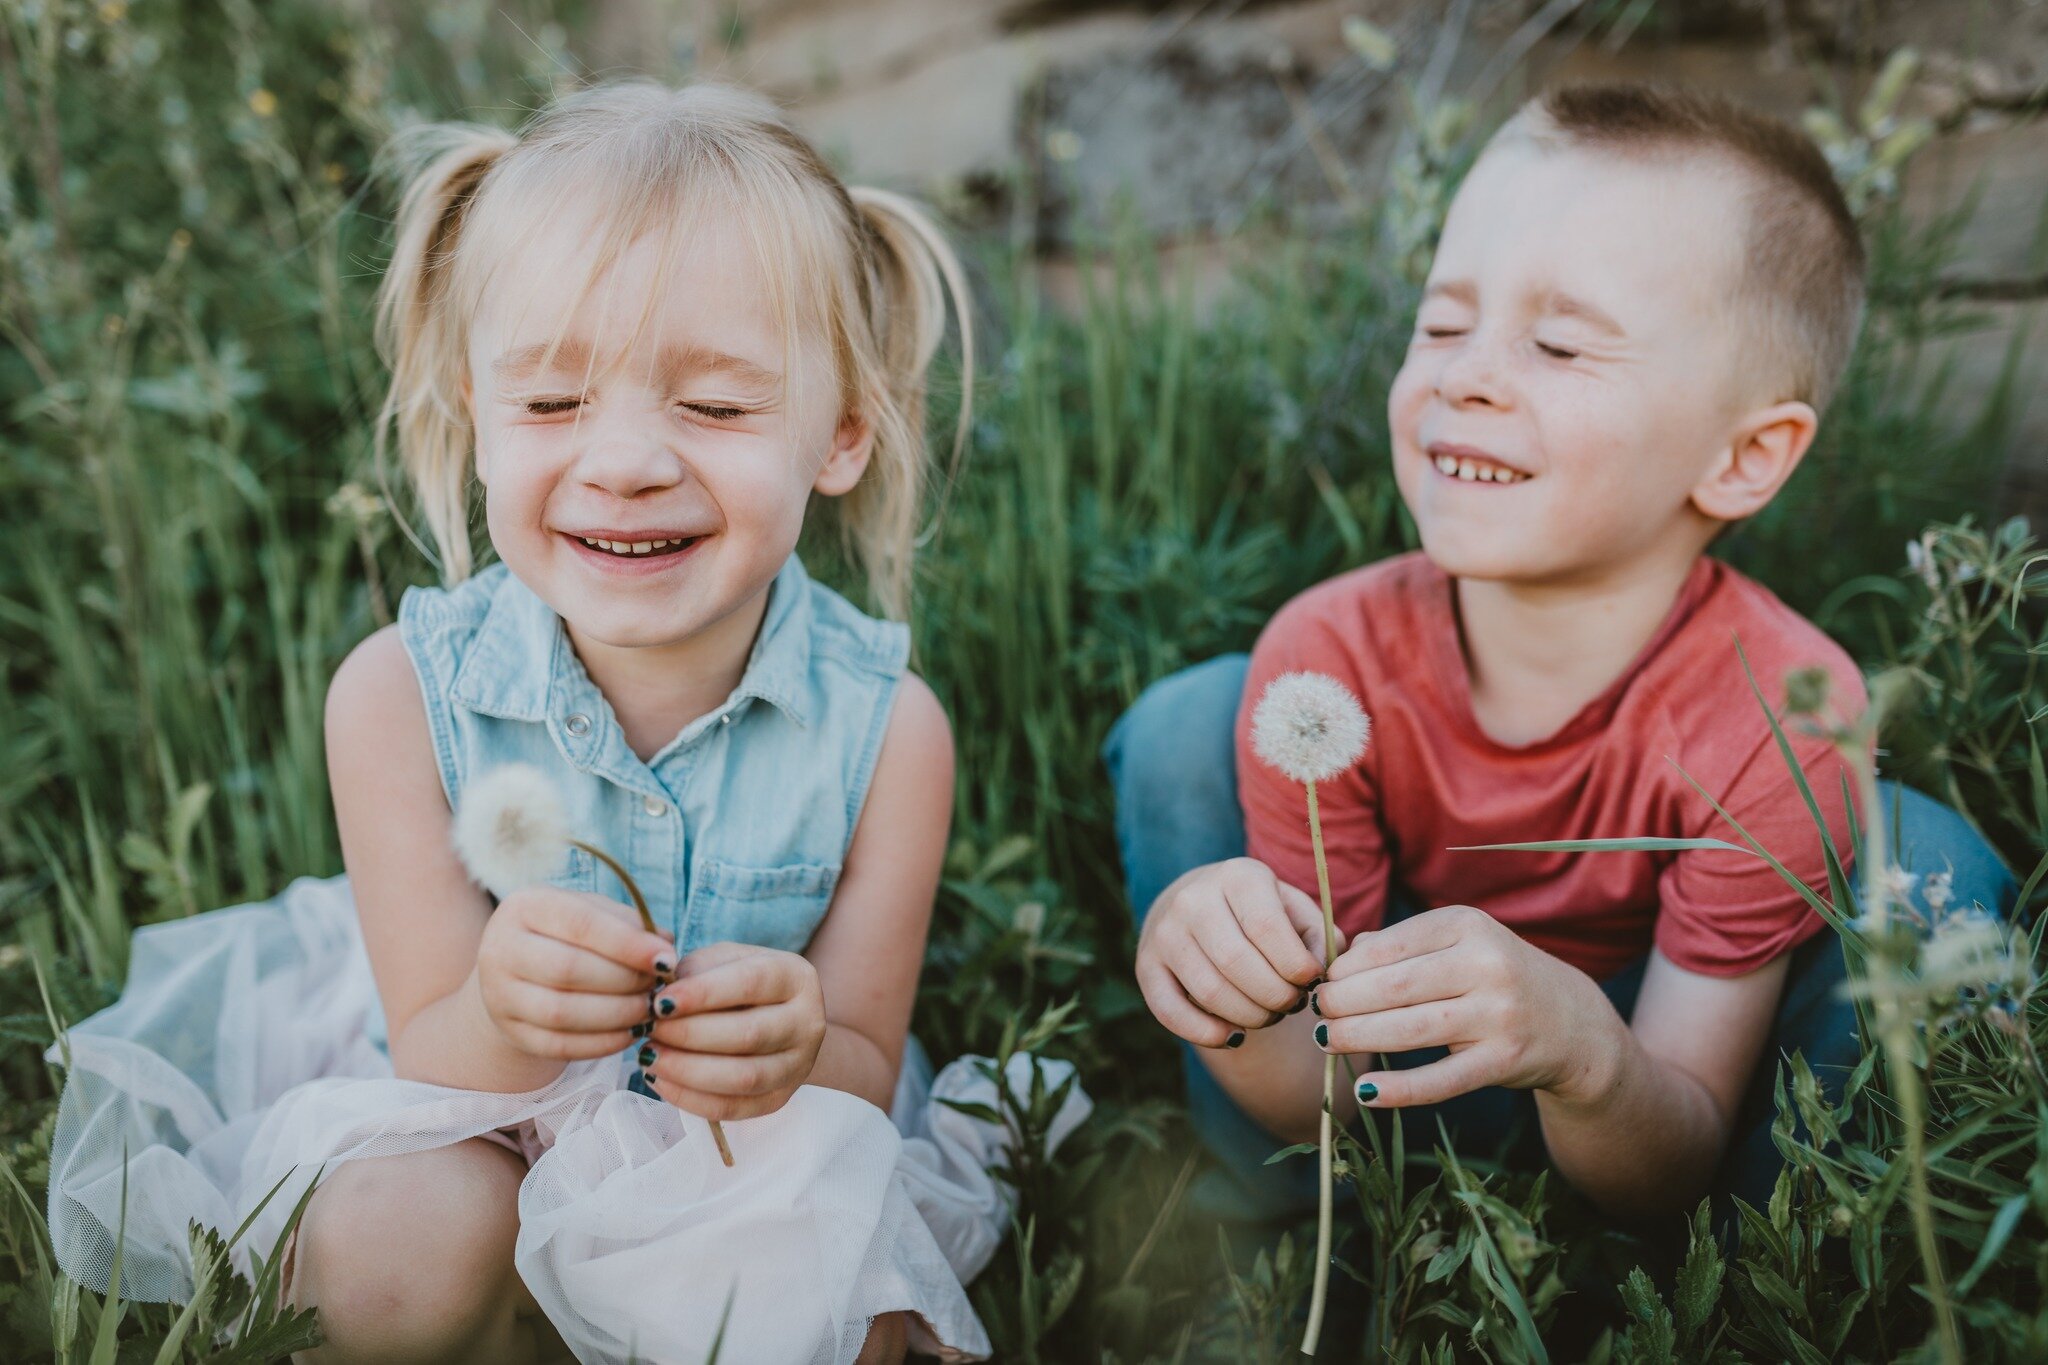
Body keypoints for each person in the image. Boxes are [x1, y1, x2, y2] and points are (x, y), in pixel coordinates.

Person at [44, 79, 1089, 1365]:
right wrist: (503, 1007)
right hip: (461, 1111)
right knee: (401, 1243)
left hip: (740, 1147)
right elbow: (433, 1042)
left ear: (843, 434)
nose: (626, 461)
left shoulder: (887, 731)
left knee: (851, 1316)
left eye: (713, 406)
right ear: (472, 418)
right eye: (550, 403)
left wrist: (792, 1041)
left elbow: (860, 1070)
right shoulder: (394, 698)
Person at [1109, 83, 2017, 1229]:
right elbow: (1313, 1094)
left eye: (1556, 343)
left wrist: (1585, 1053)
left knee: (1923, 863)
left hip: (1643, 1088)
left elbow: (1669, 1143)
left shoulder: (1777, 717)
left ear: (1742, 458)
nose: (1465, 374)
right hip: (1379, 1078)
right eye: (1441, 324)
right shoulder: (1327, 657)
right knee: (1193, 722)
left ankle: (1770, 1269)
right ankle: (1289, 1240)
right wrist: (1221, 983)